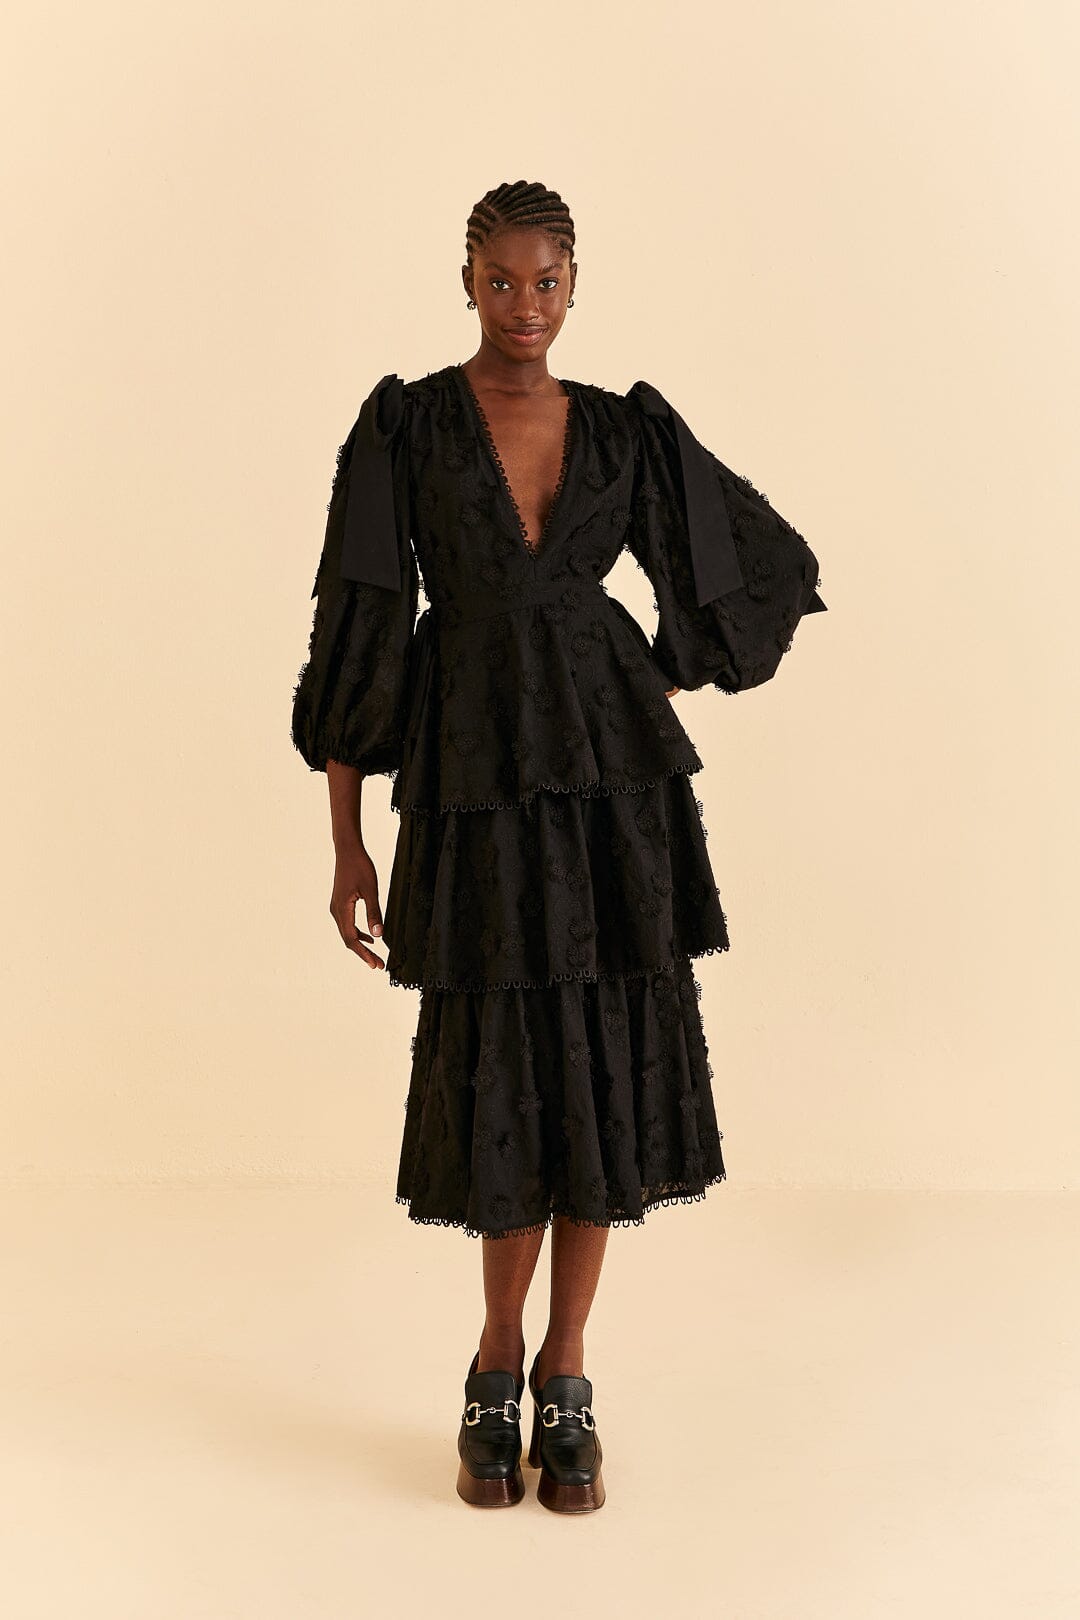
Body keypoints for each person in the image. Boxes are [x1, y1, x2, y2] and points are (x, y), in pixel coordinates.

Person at [290, 179, 827, 1513]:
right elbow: (361, 629)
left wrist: (625, 669)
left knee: (605, 1064)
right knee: (501, 1069)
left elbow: (748, 568)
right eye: (500, 280)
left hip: (606, 793)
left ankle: (568, 1367)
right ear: (466, 281)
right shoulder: (407, 426)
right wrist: (346, 839)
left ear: (575, 287)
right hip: (473, 786)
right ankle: (494, 1358)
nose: (523, 304)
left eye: (546, 281)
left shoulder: (626, 432)